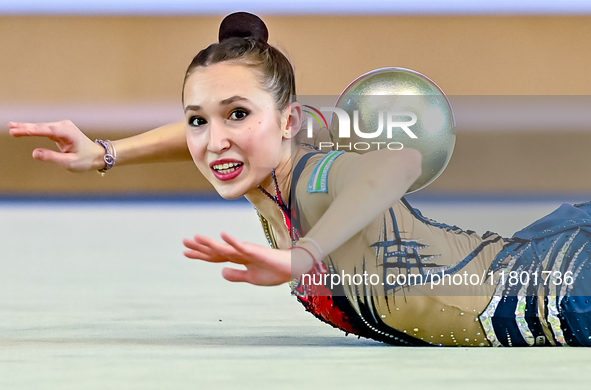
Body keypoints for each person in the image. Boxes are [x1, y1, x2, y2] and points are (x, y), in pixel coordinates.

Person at [9, 12, 591, 347]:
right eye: (198, 121)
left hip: (555, 288)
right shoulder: (277, 153)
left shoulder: (314, 176)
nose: (215, 141)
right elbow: (215, 128)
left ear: (284, 120)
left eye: (238, 115)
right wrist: (105, 153)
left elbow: (398, 163)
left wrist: (302, 256)